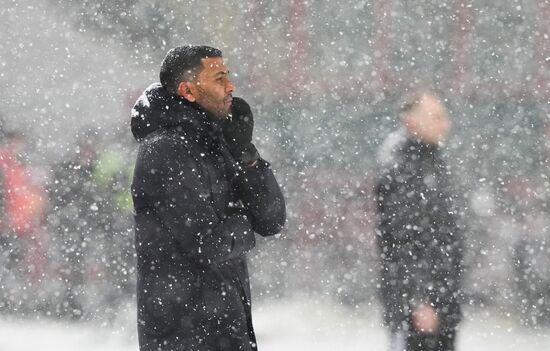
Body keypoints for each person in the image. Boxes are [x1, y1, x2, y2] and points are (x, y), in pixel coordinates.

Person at [131, 45, 286, 351]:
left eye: (228, 75)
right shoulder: (166, 150)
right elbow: (208, 244)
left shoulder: (217, 142)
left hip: (225, 327)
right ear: (188, 91)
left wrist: (248, 156)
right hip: (185, 334)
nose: (231, 86)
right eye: (218, 78)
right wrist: (244, 222)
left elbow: (272, 220)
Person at [375, 91, 465, 351]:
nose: (445, 124)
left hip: (441, 302)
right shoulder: (401, 166)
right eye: (436, 117)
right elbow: (400, 238)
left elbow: (443, 234)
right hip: (419, 309)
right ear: (411, 121)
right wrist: (419, 299)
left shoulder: (433, 161)